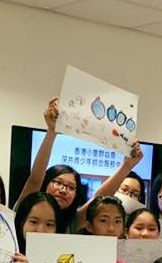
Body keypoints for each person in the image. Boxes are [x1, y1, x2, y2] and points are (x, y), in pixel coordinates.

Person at [13, 98, 142, 232]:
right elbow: (34, 180)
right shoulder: (25, 208)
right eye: (58, 182)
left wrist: (126, 166)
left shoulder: (72, 222)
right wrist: (52, 132)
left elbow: (98, 198)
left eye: (71, 188)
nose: (63, 190)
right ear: (45, 182)